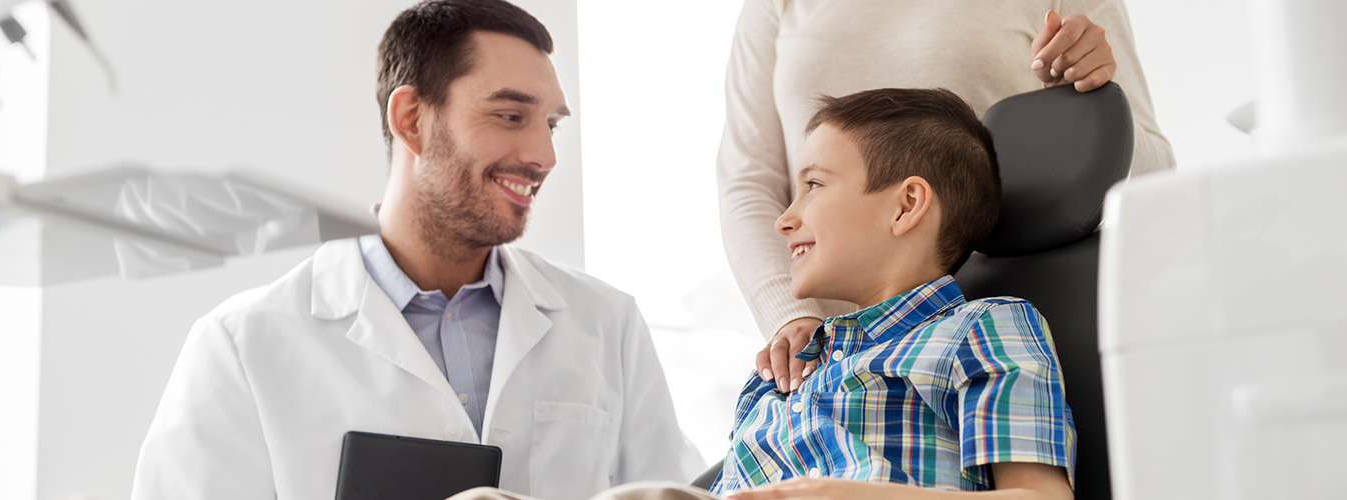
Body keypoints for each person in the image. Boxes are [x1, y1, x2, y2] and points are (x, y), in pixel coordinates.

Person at [129, 1, 700, 499]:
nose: (544, 156)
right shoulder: (242, 347)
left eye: (551, 125)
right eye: (510, 116)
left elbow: (679, 493)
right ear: (411, 120)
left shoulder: (607, 324)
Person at [450, 87, 1074, 500]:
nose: (784, 219)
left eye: (814, 185)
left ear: (907, 203)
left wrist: (832, 495)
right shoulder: (785, 369)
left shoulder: (982, 330)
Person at [722, 0, 1173, 394]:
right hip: (825, 363)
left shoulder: (991, 343)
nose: (788, 217)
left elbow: (1155, 172)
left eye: (814, 186)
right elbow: (748, 181)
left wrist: (1081, 110)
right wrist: (791, 317)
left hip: (972, 346)